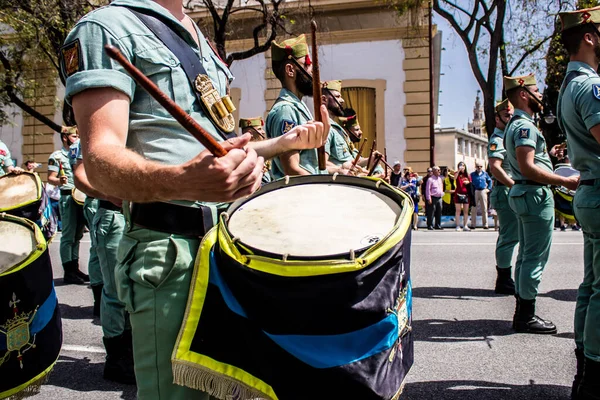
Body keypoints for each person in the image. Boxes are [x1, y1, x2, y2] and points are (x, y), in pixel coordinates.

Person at [62, 1, 329, 398]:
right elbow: (97, 163)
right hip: (169, 252)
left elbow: (216, 150)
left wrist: (274, 147)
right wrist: (182, 182)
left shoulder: (200, 39)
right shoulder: (107, 27)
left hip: (229, 248)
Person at [503, 73, 579, 335]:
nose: (540, 95)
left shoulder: (517, 125)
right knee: (534, 256)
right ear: (524, 94)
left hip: (526, 194)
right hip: (535, 195)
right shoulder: (525, 127)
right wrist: (563, 180)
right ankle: (526, 316)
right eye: (536, 90)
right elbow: (527, 166)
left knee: (525, 255)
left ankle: (522, 311)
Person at [557, 7, 600, 398]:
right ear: (588, 36)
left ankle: (586, 368)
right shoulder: (591, 86)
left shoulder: (571, 85)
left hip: (590, 191)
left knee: (592, 284)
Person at [266, 34, 327, 179]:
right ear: (290, 70)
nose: (312, 70)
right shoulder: (286, 110)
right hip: (300, 194)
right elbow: (292, 169)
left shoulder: (298, 107)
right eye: (306, 63)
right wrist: (321, 187)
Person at [48, 126, 89, 284]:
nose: (77, 138)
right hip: (67, 197)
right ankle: (68, 271)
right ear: (65, 137)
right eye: (74, 136)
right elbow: (50, 177)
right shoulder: (56, 156)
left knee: (78, 235)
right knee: (68, 235)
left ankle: (75, 268)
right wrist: (59, 181)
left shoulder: (79, 152)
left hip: (81, 196)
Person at [68, 138, 102, 315]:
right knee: (98, 249)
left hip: (104, 200)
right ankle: (100, 300)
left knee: (101, 250)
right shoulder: (82, 143)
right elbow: (79, 174)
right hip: (97, 200)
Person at [488, 98, 519, 295]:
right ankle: (504, 279)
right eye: (506, 115)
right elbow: (495, 168)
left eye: (511, 115)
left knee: (512, 235)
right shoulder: (497, 139)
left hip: (508, 190)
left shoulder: (508, 137)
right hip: (505, 190)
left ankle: (506, 277)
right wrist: (513, 185)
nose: (510, 118)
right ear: (497, 118)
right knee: (509, 236)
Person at [239, 117, 273, 184]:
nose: (263, 132)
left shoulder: (263, 151)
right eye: (259, 129)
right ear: (250, 133)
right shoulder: (243, 153)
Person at [470, 161, 493, 229]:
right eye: (478, 166)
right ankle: (473, 224)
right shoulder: (472, 174)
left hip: (483, 190)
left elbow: (490, 181)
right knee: (474, 208)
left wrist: (488, 189)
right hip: (475, 191)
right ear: (475, 167)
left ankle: (485, 224)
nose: (479, 168)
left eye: (480, 166)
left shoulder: (485, 174)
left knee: (484, 208)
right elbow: (470, 182)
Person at [454, 161, 471, 231]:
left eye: (463, 165)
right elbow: (454, 178)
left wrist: (468, 182)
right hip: (458, 193)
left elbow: (470, 182)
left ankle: (465, 225)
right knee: (458, 211)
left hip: (466, 194)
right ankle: (458, 225)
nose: (462, 167)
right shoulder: (457, 173)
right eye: (460, 165)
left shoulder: (467, 175)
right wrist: (458, 171)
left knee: (466, 211)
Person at [425, 166, 443, 230]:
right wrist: (428, 198)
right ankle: (430, 225)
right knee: (431, 212)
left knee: (439, 211)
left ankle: (438, 225)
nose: (439, 171)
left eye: (440, 170)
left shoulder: (440, 179)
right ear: (434, 171)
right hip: (433, 197)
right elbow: (428, 189)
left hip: (439, 197)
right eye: (438, 170)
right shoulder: (430, 179)